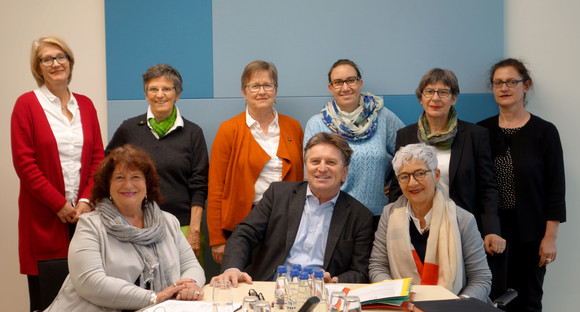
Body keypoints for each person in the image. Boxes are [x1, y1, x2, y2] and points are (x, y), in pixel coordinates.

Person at [45, 145, 205, 311]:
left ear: (147, 184)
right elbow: (90, 282)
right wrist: (154, 297)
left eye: (136, 177)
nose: (128, 185)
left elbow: (191, 265)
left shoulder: (168, 222)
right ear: (108, 186)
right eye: (119, 178)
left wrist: (188, 285)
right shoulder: (90, 225)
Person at [10, 35, 104, 311]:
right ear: (38, 68)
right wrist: (59, 204)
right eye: (46, 59)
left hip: (85, 217)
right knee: (48, 300)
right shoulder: (26, 105)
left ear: (70, 62)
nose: (55, 63)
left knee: (87, 299)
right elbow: (24, 164)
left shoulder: (85, 105)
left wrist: (86, 200)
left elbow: (98, 157)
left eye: (60, 57)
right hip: (44, 218)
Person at [210, 132, 374, 286]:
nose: (322, 168)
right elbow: (244, 234)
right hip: (270, 288)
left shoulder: (360, 216)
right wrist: (232, 268)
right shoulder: (278, 195)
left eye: (331, 162)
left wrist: (335, 281)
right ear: (306, 168)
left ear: (344, 172)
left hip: (320, 293)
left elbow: (360, 271)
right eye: (315, 161)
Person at [389, 68, 505, 260]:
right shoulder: (406, 135)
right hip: (417, 228)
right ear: (420, 98)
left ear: (454, 98)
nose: (435, 98)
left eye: (443, 92)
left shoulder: (475, 136)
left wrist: (492, 229)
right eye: (429, 91)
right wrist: (393, 227)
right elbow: (397, 187)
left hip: (461, 227)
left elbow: (488, 189)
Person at [478, 58, 566, 312]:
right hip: (491, 233)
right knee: (492, 300)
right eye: (498, 83)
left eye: (511, 82)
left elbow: (555, 188)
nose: (504, 87)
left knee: (528, 300)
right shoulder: (482, 131)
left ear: (525, 86)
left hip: (531, 233)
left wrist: (550, 238)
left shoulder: (544, 132)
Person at [106, 64, 209, 263]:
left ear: (177, 94)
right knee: (144, 290)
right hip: (137, 225)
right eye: (153, 89)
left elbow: (200, 184)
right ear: (146, 95)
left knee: (187, 288)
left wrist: (195, 231)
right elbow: (107, 172)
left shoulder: (193, 133)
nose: (159, 95)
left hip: (183, 226)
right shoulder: (129, 129)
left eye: (167, 89)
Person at [207, 60, 304, 264]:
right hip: (242, 226)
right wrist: (217, 239)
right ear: (244, 92)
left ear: (275, 90)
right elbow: (216, 187)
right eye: (255, 86)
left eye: (267, 85)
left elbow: (302, 180)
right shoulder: (229, 130)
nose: (262, 91)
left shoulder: (293, 127)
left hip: (285, 224)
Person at [369, 143, 492, 302]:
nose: (412, 183)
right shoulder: (389, 214)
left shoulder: (463, 219)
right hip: (403, 305)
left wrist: (460, 303)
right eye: (404, 176)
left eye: (420, 173)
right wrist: (392, 293)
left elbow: (481, 277)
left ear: (437, 175)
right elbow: (377, 265)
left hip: (452, 306)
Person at [304, 59, 404, 228]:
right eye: (338, 82)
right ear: (331, 87)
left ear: (360, 83)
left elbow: (408, 154)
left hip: (377, 217)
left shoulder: (383, 117)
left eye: (351, 80)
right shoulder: (317, 124)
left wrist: (395, 185)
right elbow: (309, 175)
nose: (345, 87)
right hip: (332, 216)